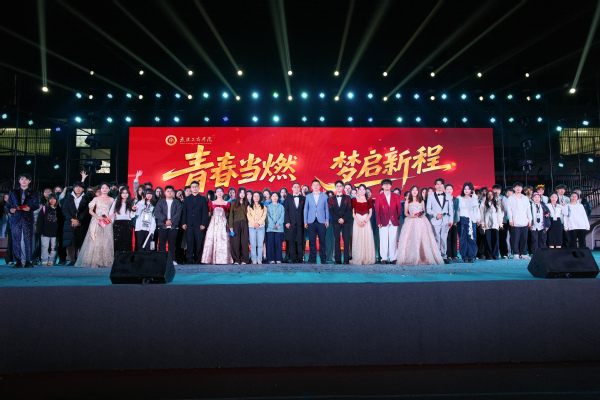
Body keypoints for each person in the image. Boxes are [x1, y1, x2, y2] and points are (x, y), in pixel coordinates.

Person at [396, 185, 443, 266]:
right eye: (413, 190)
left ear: (418, 192)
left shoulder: (421, 201)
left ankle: (424, 257)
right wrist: (411, 216)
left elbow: (424, 211)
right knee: (412, 239)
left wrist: (422, 214)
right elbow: (405, 213)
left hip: (422, 221)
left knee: (423, 239)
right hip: (411, 222)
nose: (415, 192)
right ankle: (412, 258)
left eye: (416, 190)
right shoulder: (408, 201)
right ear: (411, 191)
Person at [75, 183, 115, 268]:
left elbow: (115, 211)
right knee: (94, 239)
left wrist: (109, 217)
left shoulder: (112, 199)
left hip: (107, 221)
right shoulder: (96, 198)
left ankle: (105, 261)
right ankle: (93, 261)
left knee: (106, 240)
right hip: (96, 220)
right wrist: (98, 217)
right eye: (103, 188)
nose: (104, 189)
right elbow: (90, 211)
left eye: (106, 188)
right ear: (100, 189)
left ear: (109, 189)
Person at [6, 173, 40, 268]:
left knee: (28, 240)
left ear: (29, 181)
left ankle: (29, 261)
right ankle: (18, 261)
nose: (24, 181)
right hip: (15, 218)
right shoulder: (13, 192)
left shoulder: (34, 192)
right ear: (19, 181)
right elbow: (8, 205)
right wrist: (10, 210)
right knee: (16, 240)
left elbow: (36, 205)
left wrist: (30, 208)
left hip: (28, 218)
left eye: (26, 179)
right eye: (22, 179)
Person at [201, 187, 233, 265]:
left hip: (223, 223)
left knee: (223, 240)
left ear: (223, 193)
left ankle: (223, 259)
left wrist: (222, 219)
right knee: (211, 239)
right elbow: (209, 214)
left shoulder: (227, 203)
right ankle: (209, 259)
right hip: (213, 223)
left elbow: (228, 214)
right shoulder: (211, 203)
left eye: (221, 191)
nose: (219, 193)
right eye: (217, 191)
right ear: (215, 193)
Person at [62, 181, 90, 265]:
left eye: (80, 187)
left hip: (82, 223)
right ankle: (70, 259)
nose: (78, 189)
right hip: (69, 222)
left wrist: (78, 220)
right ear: (73, 188)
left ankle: (79, 259)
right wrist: (72, 219)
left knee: (80, 241)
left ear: (83, 189)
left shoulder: (86, 198)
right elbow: (65, 210)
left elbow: (86, 211)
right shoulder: (68, 197)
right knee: (70, 242)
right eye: (76, 187)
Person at [426, 178, 454, 264]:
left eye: (441, 184)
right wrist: (435, 215)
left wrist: (451, 220)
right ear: (435, 186)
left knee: (444, 239)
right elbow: (428, 209)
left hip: (446, 221)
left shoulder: (448, 196)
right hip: (435, 220)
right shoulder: (431, 196)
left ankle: (444, 256)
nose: (439, 186)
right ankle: (437, 257)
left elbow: (451, 210)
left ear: (443, 185)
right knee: (436, 239)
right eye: (437, 184)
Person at [375, 178, 402, 264]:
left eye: (388, 184)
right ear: (382, 186)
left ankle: (393, 258)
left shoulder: (396, 196)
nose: (386, 185)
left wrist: (396, 218)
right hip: (383, 221)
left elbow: (399, 208)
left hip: (394, 220)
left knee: (393, 239)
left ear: (391, 186)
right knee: (383, 240)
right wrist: (378, 221)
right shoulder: (379, 196)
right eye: (385, 184)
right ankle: (384, 258)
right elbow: (377, 210)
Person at [182, 181, 209, 263]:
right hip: (189, 224)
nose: (194, 188)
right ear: (191, 188)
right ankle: (189, 259)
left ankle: (198, 259)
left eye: (196, 186)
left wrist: (203, 224)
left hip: (199, 224)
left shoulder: (203, 199)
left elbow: (205, 213)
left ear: (199, 188)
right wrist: (183, 223)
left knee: (199, 242)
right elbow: (184, 212)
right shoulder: (187, 199)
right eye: (193, 187)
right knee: (189, 241)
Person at [303, 180, 329, 264]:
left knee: (322, 241)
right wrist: (305, 221)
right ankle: (313, 259)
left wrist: (327, 220)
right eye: (314, 185)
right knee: (312, 241)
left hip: (321, 221)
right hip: (311, 221)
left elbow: (326, 209)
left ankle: (323, 259)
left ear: (320, 186)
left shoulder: (324, 196)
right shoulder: (308, 196)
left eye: (317, 185)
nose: (315, 186)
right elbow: (306, 209)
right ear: (311, 187)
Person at [155, 186, 182, 265]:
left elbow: (179, 213)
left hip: (173, 226)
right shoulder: (161, 202)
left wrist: (171, 221)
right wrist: (165, 220)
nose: (169, 192)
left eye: (171, 191)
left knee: (172, 244)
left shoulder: (177, 202)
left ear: (173, 193)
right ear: (165, 192)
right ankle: (162, 260)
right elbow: (157, 212)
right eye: (168, 191)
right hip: (162, 225)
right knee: (162, 244)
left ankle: (172, 260)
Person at [350, 184, 375, 265]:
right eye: (360, 189)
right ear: (358, 190)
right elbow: (353, 213)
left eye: (363, 189)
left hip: (366, 221)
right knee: (358, 238)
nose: (361, 191)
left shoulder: (369, 200)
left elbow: (370, 213)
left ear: (365, 191)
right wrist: (358, 221)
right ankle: (358, 257)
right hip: (357, 220)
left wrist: (365, 221)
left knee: (366, 238)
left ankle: (366, 257)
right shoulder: (354, 200)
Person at [328, 180, 352, 264]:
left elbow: (349, 210)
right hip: (336, 222)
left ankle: (346, 260)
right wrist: (338, 219)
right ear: (335, 187)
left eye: (340, 186)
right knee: (337, 240)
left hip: (346, 222)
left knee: (346, 240)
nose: (338, 187)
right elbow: (330, 210)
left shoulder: (348, 198)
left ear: (343, 187)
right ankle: (337, 259)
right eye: (337, 186)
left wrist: (343, 219)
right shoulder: (331, 199)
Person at [506, 182, 532, 260]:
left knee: (524, 238)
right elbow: (509, 210)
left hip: (524, 221)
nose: (518, 188)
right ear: (514, 188)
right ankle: (516, 253)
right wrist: (510, 220)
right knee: (515, 238)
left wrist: (530, 220)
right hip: (515, 221)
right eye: (516, 187)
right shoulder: (511, 198)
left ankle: (524, 253)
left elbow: (528, 210)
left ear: (522, 188)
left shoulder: (525, 198)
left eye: (520, 187)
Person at [457, 182, 481, 263]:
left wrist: (478, 219)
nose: (467, 190)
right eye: (465, 189)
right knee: (463, 238)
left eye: (469, 189)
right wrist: (456, 219)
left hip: (471, 220)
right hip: (462, 219)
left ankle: (472, 255)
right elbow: (456, 210)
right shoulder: (459, 198)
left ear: (472, 190)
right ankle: (464, 256)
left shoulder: (473, 198)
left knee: (471, 238)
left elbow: (476, 208)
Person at [37, 194, 63, 266]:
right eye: (50, 199)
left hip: (55, 232)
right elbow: (39, 221)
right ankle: (44, 260)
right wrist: (40, 231)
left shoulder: (59, 209)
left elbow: (61, 221)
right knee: (44, 247)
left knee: (54, 247)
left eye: (54, 199)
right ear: (48, 200)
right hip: (45, 232)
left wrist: (60, 231)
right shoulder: (44, 208)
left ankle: (52, 260)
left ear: (56, 200)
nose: (52, 200)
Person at [284, 182, 305, 263]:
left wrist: (305, 222)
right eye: (295, 187)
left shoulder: (303, 198)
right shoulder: (288, 198)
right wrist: (287, 222)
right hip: (291, 223)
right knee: (291, 241)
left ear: (300, 189)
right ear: (292, 188)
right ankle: (293, 258)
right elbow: (286, 210)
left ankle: (300, 258)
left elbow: (305, 211)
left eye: (298, 187)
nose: (296, 189)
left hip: (300, 223)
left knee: (300, 241)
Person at [109, 188, 135, 253]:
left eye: (126, 193)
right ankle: (118, 257)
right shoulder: (116, 202)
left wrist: (133, 210)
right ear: (120, 194)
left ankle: (127, 258)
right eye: (123, 193)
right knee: (118, 241)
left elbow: (132, 216)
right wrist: (111, 223)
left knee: (127, 242)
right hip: (118, 223)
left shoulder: (131, 202)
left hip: (128, 223)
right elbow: (111, 213)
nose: (125, 194)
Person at [480, 191, 503, 260]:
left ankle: (495, 254)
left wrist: (500, 224)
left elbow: (499, 214)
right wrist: (482, 224)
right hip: (487, 226)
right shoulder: (483, 203)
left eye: (491, 194)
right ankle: (488, 255)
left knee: (495, 240)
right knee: (488, 241)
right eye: (488, 194)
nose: (490, 196)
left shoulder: (496, 204)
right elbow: (481, 214)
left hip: (495, 225)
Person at [229, 187, 249, 265]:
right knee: (235, 242)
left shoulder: (247, 203)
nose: (242, 194)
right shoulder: (234, 203)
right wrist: (231, 227)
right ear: (238, 193)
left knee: (244, 242)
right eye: (241, 193)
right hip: (235, 224)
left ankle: (244, 260)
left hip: (245, 224)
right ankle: (236, 260)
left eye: (244, 193)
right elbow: (231, 215)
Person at [247, 191, 267, 264]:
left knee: (260, 244)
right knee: (253, 244)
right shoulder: (249, 207)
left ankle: (259, 259)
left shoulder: (263, 207)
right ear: (252, 197)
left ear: (260, 197)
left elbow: (264, 216)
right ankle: (254, 259)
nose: (256, 198)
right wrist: (254, 224)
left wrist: (258, 223)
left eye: (258, 196)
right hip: (251, 227)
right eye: (255, 196)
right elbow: (249, 216)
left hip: (261, 227)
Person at [266, 192, 285, 264]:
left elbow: (282, 216)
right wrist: (272, 225)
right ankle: (271, 259)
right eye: (273, 196)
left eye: (276, 196)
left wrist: (278, 224)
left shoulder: (281, 207)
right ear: (271, 197)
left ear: (278, 197)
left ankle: (278, 258)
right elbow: (267, 216)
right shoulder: (268, 207)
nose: (274, 197)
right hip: (270, 228)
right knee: (270, 244)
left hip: (279, 228)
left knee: (278, 244)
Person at [445, 184, 459, 261]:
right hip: (446, 221)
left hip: (454, 221)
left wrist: (456, 220)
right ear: (445, 190)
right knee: (447, 237)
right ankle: (448, 255)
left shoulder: (456, 199)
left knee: (454, 237)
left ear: (453, 190)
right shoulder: (443, 199)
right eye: (447, 189)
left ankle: (454, 255)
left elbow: (457, 210)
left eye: (450, 189)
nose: (449, 190)